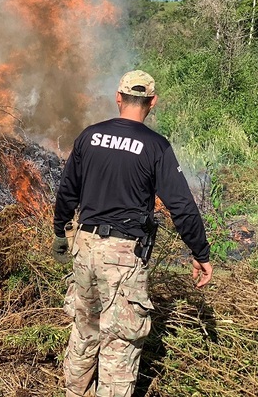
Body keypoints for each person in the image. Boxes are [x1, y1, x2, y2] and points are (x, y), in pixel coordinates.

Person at [52, 70, 213, 397]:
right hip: (123, 254)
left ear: (118, 97)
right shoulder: (155, 146)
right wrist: (200, 253)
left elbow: (67, 191)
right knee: (120, 341)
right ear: (152, 102)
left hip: (84, 248)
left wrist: (60, 233)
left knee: (85, 329)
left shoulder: (90, 136)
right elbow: (181, 205)